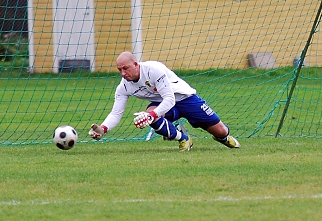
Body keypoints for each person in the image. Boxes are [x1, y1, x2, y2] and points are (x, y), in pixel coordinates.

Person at [88, 51, 240, 151]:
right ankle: (184, 139)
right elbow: (116, 113)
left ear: (136, 64)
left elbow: (170, 98)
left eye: (125, 68)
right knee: (148, 115)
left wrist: (152, 115)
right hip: (165, 106)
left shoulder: (154, 69)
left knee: (221, 132)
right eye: (119, 70)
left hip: (185, 99)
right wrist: (103, 128)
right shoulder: (123, 87)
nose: (123, 73)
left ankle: (223, 137)